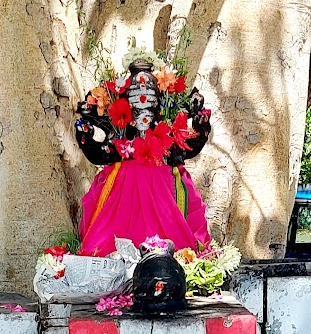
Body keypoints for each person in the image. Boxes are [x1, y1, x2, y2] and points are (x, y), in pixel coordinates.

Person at [72, 58, 213, 256]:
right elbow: (99, 155)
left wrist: (201, 129)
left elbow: (188, 148)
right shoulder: (120, 139)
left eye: (149, 96)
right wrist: (86, 136)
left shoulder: (166, 137)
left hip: (164, 184)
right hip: (122, 187)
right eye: (136, 97)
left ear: (158, 102)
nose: (143, 101)